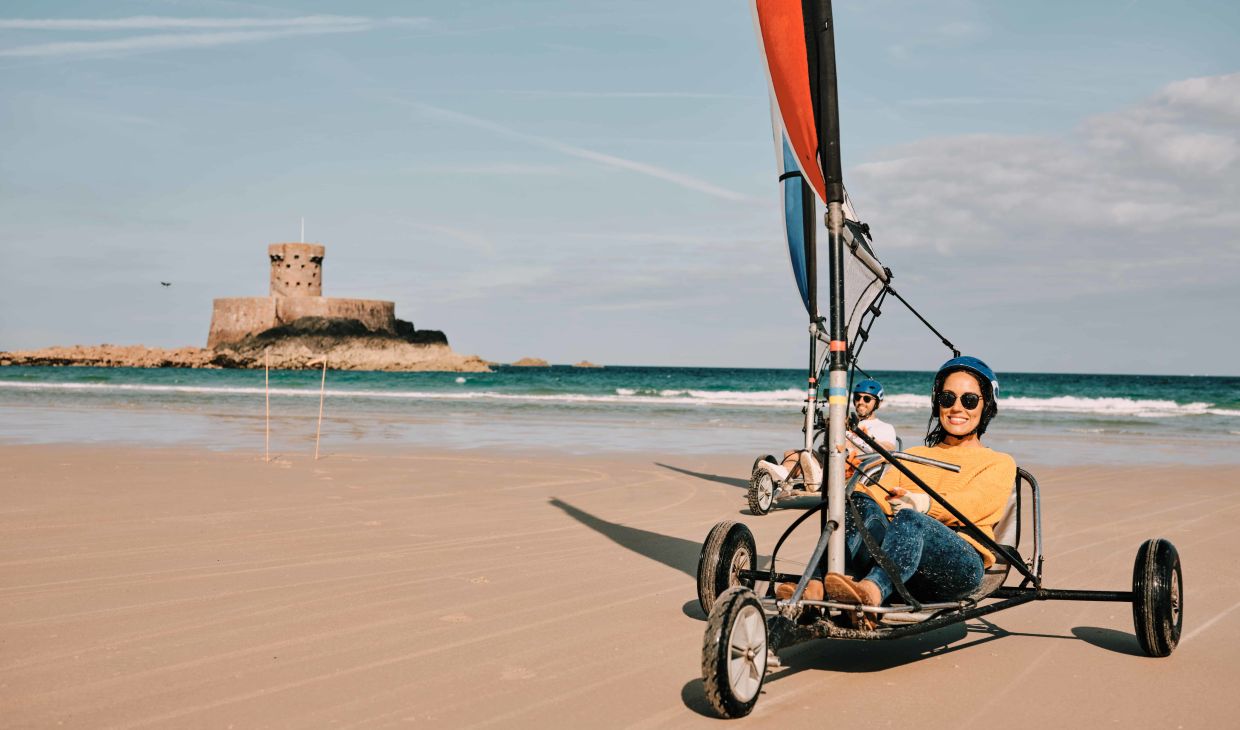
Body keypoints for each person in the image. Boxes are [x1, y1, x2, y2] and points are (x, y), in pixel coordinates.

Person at [775, 357, 1015, 626]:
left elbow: (977, 503)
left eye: (969, 400)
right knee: (856, 501)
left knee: (911, 519)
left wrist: (923, 504)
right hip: (901, 561)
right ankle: (816, 587)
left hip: (960, 565)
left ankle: (871, 595)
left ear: (986, 406)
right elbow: (878, 497)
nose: (957, 407)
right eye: (948, 398)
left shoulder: (999, 462)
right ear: (938, 403)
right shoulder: (913, 455)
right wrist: (853, 497)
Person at [767, 378, 899, 493]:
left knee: (814, 457)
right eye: (857, 397)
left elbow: (889, 452)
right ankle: (784, 476)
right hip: (830, 458)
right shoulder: (845, 420)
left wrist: (868, 437)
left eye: (867, 398)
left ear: (878, 403)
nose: (861, 401)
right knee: (792, 454)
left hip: (854, 466)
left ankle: (814, 478)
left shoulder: (884, 427)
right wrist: (832, 423)